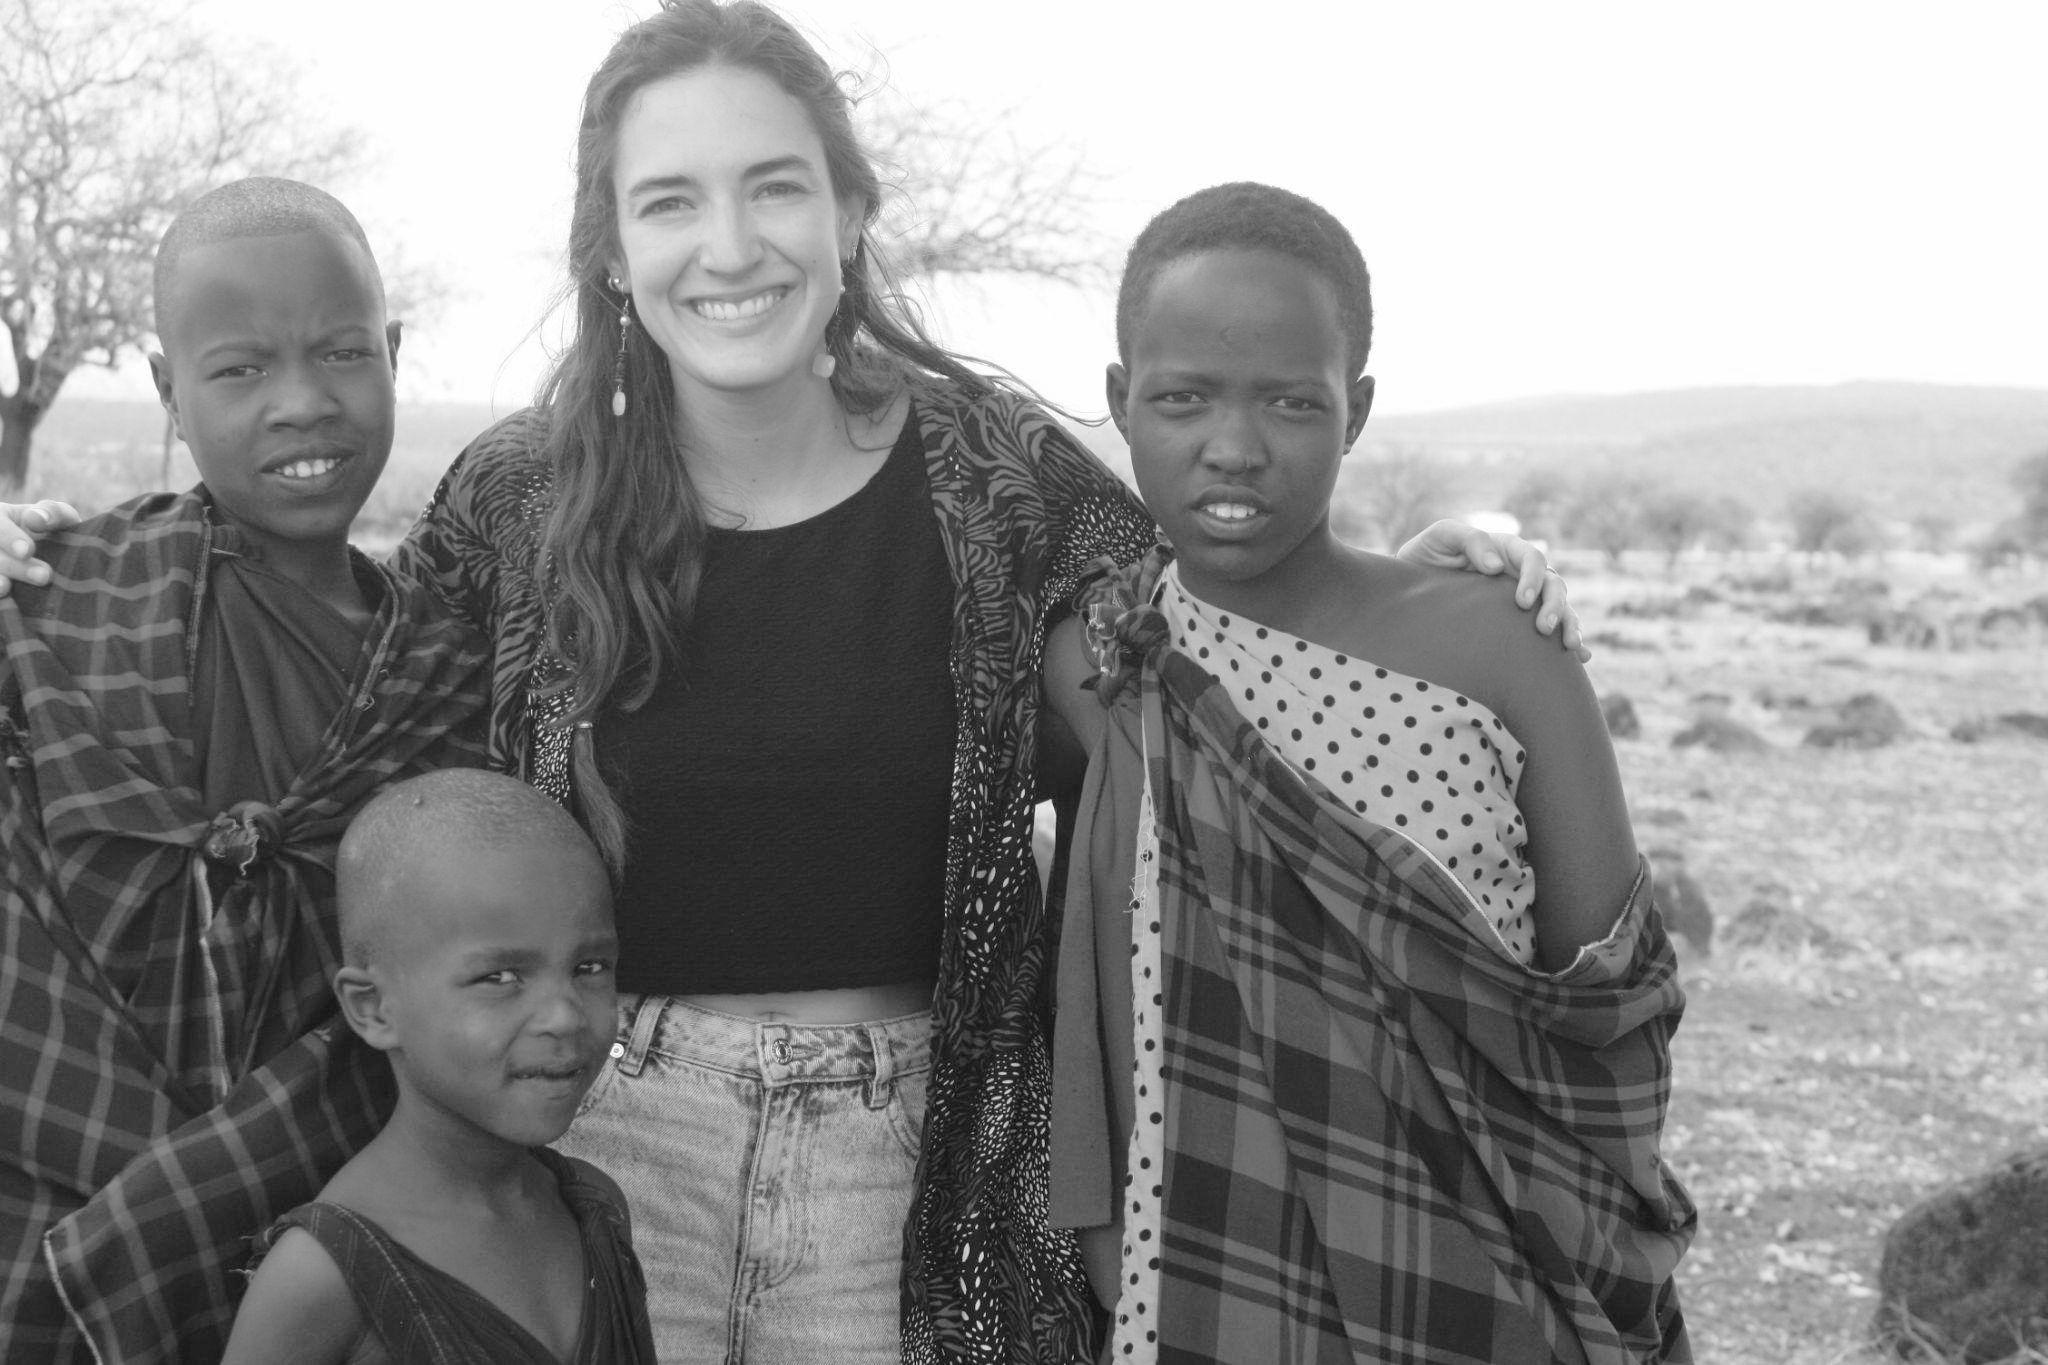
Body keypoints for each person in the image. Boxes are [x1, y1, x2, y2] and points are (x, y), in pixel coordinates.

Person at [0, 6, 1579, 1359]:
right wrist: (64, 558)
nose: (731, 245)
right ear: (613, 250)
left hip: (924, 1175)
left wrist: (1418, 581)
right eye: (671, 202)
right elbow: (349, 702)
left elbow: (1200, 650)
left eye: (774, 187)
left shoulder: (999, 483)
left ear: (848, 211)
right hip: (596, 1157)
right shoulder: (519, 502)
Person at [1045, 183, 1695, 1364]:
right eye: (1182, 398)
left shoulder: (1493, 647)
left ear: (1356, 412)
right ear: (1118, 400)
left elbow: (1608, 1006)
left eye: (1291, 402)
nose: (1233, 447)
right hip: (1200, 1269)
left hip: (1490, 1285)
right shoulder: (1096, 661)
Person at [0, 178, 491, 1360]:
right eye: (239, 370)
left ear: (393, 353)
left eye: (341, 353)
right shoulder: (58, 603)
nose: (302, 402)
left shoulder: (447, 666)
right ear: (168, 392)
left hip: (345, 1238)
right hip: (51, 1193)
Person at [222, 769, 656, 1365]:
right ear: (374, 1009)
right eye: (500, 977)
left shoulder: (593, 1209)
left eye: (590, 968)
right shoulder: (321, 1277)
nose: (565, 1016)